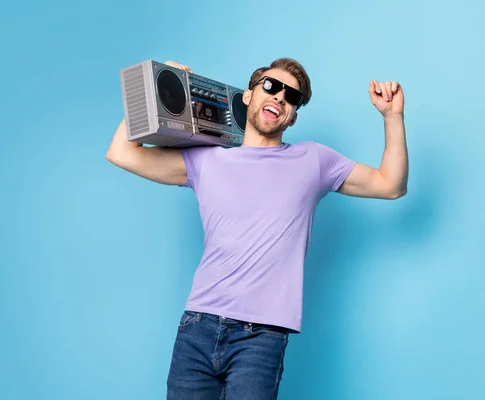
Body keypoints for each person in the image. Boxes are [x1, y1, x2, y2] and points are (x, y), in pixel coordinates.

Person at [106, 58, 408, 399]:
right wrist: (155, 88)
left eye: (290, 97)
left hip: (261, 336)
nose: (279, 97)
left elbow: (391, 184)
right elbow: (122, 152)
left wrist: (392, 117)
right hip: (198, 326)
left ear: (292, 115)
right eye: (270, 86)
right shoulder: (205, 160)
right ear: (248, 96)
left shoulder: (314, 161)